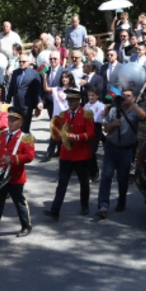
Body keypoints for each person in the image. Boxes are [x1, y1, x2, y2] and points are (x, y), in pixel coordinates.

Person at [0, 109, 36, 245]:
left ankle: (26, 226)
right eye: (9, 119)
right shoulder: (0, 135)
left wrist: (13, 159)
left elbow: (29, 156)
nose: (10, 122)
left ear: (21, 122)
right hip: (1, 177)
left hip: (15, 177)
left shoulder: (25, 137)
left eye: (14, 120)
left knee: (19, 202)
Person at [43, 87, 95, 220]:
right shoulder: (63, 115)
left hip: (81, 155)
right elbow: (58, 133)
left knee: (83, 182)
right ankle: (55, 210)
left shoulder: (86, 114)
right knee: (62, 183)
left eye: (72, 100)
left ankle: (84, 205)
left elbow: (91, 133)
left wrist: (77, 137)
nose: (69, 103)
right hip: (66, 155)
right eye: (68, 100)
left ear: (79, 101)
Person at [97, 89, 143, 220]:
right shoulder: (113, 110)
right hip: (111, 148)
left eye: (128, 96)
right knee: (106, 177)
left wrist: (133, 104)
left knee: (122, 179)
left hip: (127, 150)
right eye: (123, 96)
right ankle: (103, 206)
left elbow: (144, 117)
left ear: (133, 98)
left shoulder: (135, 110)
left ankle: (121, 201)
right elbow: (105, 129)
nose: (125, 98)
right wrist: (112, 124)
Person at [41, 70, 77, 162]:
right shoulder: (57, 89)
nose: (64, 79)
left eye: (66, 77)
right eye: (63, 77)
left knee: (67, 137)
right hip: (57, 117)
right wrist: (44, 78)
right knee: (54, 136)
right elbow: (46, 89)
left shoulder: (74, 90)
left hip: (69, 117)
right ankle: (49, 153)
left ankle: (68, 155)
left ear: (70, 78)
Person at [6, 52, 43, 135]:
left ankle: (24, 143)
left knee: (25, 128)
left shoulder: (34, 74)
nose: (21, 63)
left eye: (23, 61)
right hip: (16, 104)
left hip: (27, 105)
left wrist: (39, 103)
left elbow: (38, 90)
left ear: (28, 62)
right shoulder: (15, 73)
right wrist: (7, 101)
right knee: (16, 127)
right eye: (20, 61)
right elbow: (12, 87)